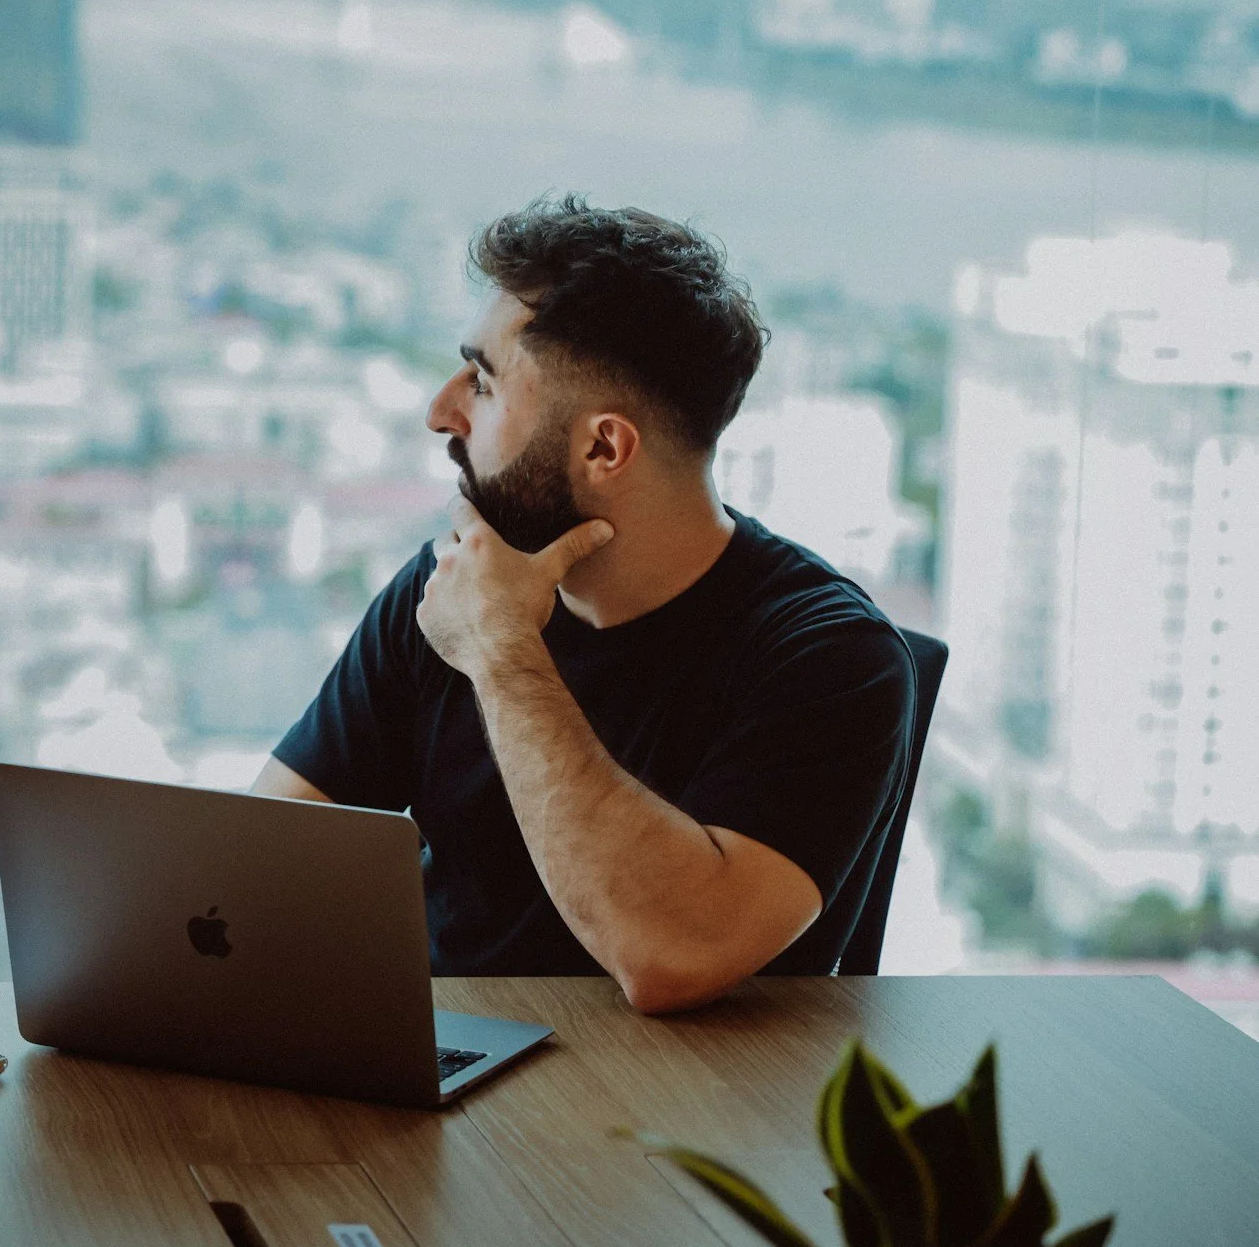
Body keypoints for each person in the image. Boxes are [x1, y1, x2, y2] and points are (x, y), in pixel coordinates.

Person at [255, 196, 914, 1015]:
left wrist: (502, 651)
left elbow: (670, 953)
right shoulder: (450, 587)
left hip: (682, 1124)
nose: (439, 411)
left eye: (483, 382)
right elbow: (257, 871)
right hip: (443, 1085)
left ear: (604, 447)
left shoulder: (832, 658)